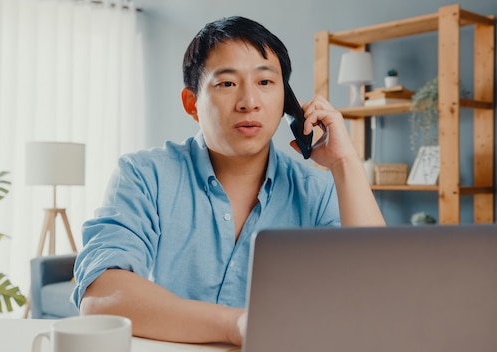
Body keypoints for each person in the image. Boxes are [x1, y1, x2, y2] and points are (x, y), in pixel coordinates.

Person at [72, 16, 385, 346]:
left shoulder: (316, 191)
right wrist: (238, 325)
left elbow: (380, 293)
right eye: (227, 84)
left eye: (265, 83)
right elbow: (100, 297)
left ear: (286, 104)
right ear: (192, 104)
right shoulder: (144, 175)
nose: (249, 102)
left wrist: (345, 162)